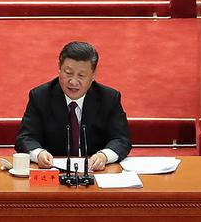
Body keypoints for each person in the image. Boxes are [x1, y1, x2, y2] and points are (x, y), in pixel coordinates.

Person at [14, 41, 131, 170]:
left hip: (96, 172)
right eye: (68, 73)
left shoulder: (109, 98)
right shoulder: (40, 96)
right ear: (59, 68)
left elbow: (121, 139)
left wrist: (104, 156)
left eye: (81, 75)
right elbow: (25, 138)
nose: (73, 82)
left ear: (93, 75)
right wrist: (39, 154)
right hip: (54, 171)